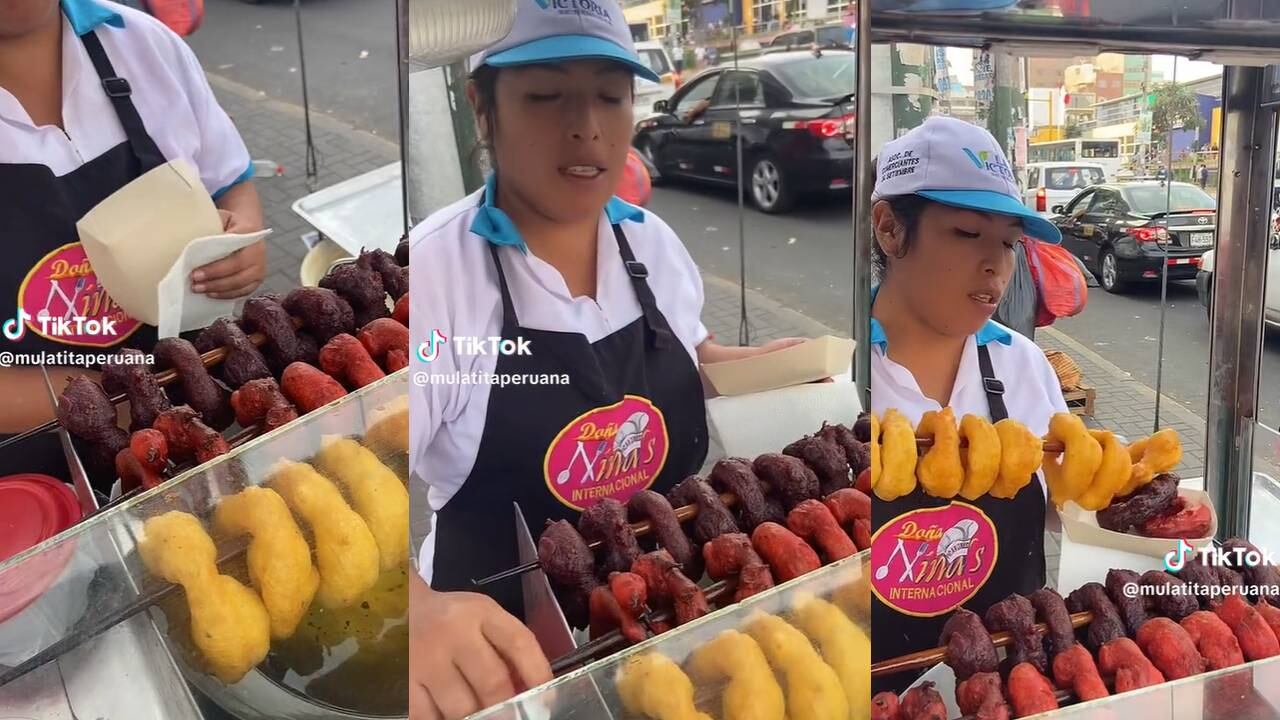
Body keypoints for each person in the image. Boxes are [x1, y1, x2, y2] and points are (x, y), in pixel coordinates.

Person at [408, 1, 809, 717]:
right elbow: (358, 473)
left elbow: (687, 354)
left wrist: (754, 369)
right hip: (496, 659)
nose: (586, 126)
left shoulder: (650, 242)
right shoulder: (433, 281)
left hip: (667, 624)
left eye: (610, 95)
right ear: (482, 107)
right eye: (546, 95)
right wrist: (417, 613)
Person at [0, 0, 265, 477]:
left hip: (205, 412)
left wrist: (243, 238)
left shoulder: (144, 43)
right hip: (46, 469)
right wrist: (118, 399)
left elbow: (229, 182)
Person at [868, 117, 1068, 692]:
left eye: (1008, 242)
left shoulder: (1021, 365)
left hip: (1012, 688)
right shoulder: (840, 377)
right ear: (890, 229)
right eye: (966, 233)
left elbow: (1070, 505)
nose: (995, 265)